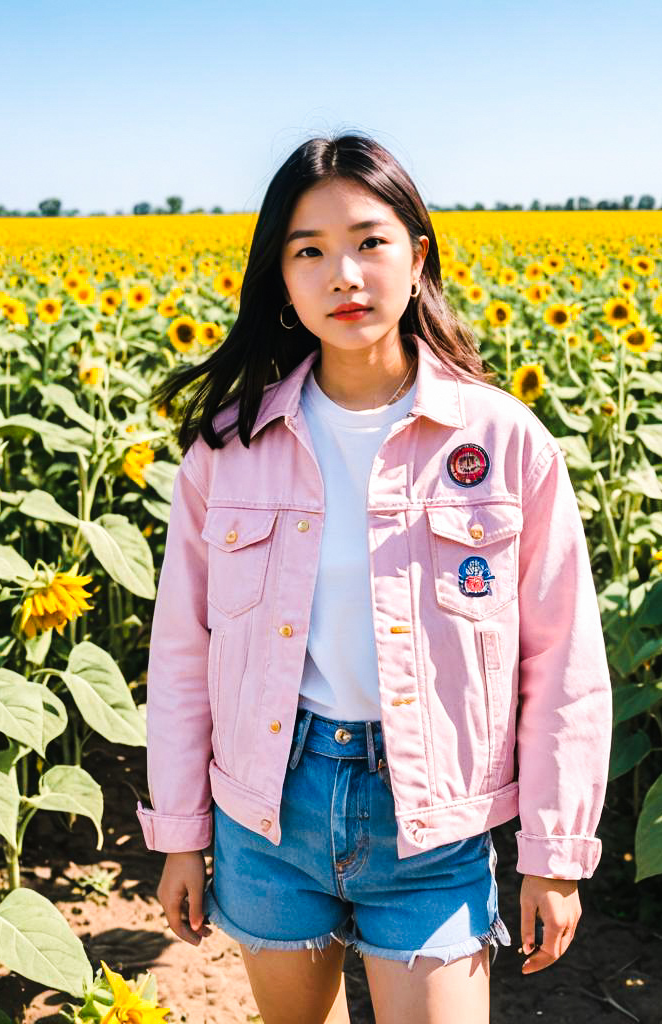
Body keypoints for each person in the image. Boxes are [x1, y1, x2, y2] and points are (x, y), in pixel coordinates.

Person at [136, 132, 612, 1024]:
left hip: (431, 818)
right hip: (269, 808)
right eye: (308, 251)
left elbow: (565, 663)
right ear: (280, 278)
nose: (342, 274)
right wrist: (181, 835)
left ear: (418, 252)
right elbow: (182, 653)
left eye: (368, 241)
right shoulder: (229, 448)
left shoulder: (502, 442)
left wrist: (554, 852)